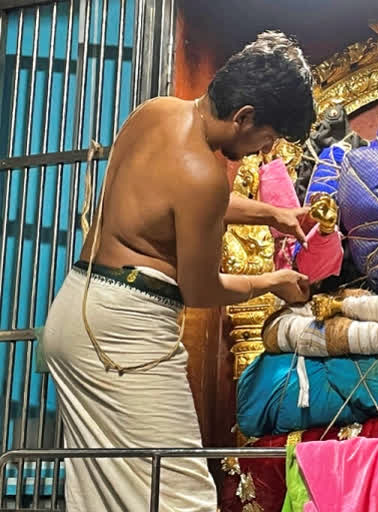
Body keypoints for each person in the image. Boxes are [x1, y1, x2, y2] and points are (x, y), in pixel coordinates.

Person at [41, 31, 315, 511]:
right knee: (179, 495)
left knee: (103, 498)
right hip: (125, 334)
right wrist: (272, 283)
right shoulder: (203, 176)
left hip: (76, 312)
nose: (257, 152)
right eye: (264, 140)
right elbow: (200, 288)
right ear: (244, 117)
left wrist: (273, 214)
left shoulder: (157, 112)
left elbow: (176, 203)